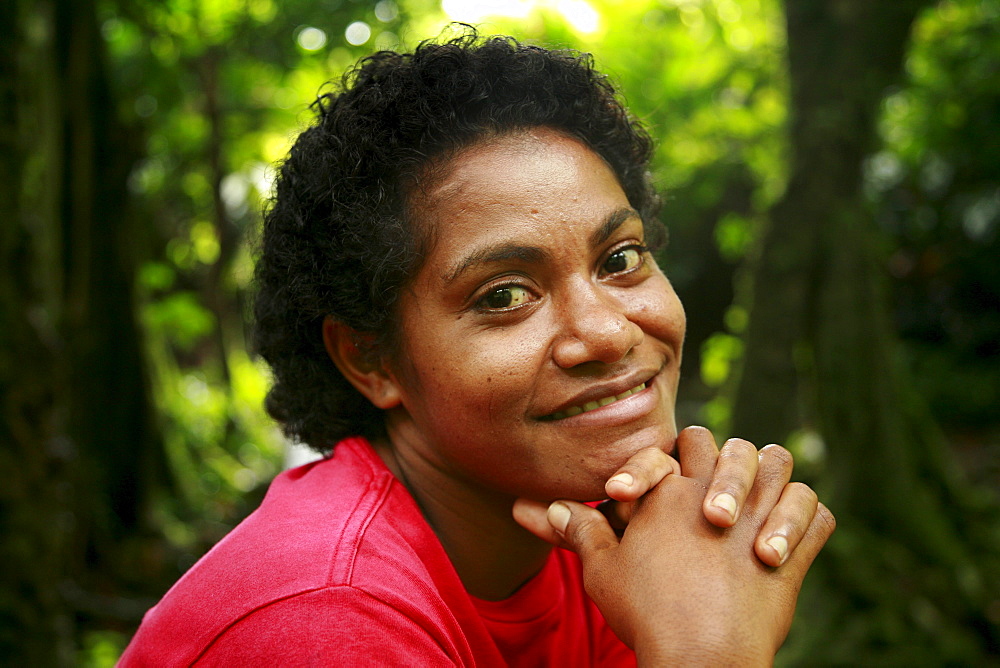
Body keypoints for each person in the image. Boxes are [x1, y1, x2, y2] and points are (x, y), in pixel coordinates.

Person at [121, 30, 834, 666]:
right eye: (503, 295)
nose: (609, 331)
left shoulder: (612, 542)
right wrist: (709, 653)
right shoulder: (319, 621)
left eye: (619, 259)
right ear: (371, 360)